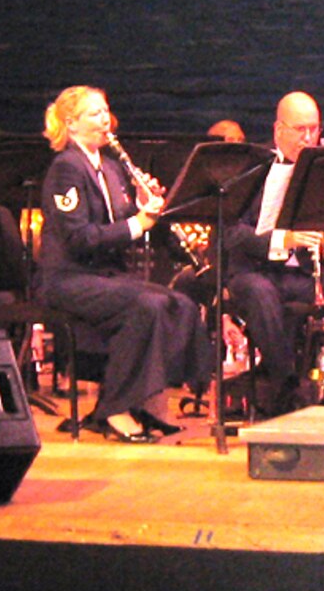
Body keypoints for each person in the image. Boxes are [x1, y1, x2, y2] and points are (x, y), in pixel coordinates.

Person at [36, 87, 214, 442]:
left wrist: (147, 205)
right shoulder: (66, 168)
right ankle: (114, 409)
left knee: (179, 302)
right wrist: (137, 223)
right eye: (95, 114)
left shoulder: (113, 168)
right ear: (70, 124)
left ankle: (145, 401)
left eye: (106, 112)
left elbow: (122, 223)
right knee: (145, 306)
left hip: (104, 277)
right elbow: (80, 238)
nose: (106, 120)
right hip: (67, 278)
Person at [222, 91, 324, 415]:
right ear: (278, 131)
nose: (308, 138)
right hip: (254, 271)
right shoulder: (251, 168)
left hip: (303, 273)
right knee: (261, 294)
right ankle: (286, 386)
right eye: (300, 130)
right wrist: (283, 239)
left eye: (314, 129)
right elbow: (231, 233)